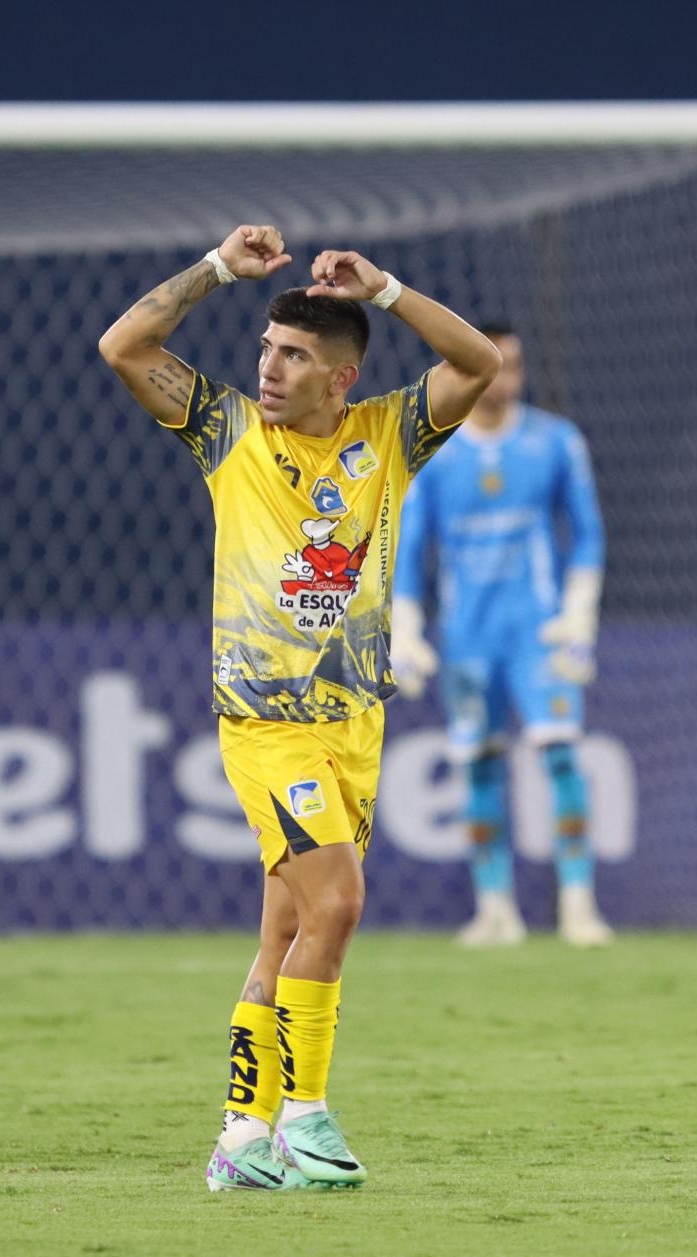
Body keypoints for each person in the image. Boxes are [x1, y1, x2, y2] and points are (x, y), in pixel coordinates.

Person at [98, 226, 500, 1191]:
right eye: (266, 351)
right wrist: (215, 271)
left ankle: (240, 1140)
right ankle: (308, 1118)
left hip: (355, 723)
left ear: (342, 379)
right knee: (342, 901)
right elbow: (124, 347)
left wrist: (390, 287)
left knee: (285, 931)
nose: (269, 370)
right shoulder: (230, 433)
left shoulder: (388, 440)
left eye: (294, 357)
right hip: (268, 724)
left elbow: (477, 361)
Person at [389, 322, 611, 948]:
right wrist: (405, 630)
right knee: (479, 764)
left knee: (562, 753)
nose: (503, 379)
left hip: (537, 632)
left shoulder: (555, 442)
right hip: (467, 638)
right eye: (492, 365)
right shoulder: (435, 452)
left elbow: (587, 534)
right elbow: (411, 550)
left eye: (513, 364)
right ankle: (494, 908)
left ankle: (577, 904)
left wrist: (578, 616)